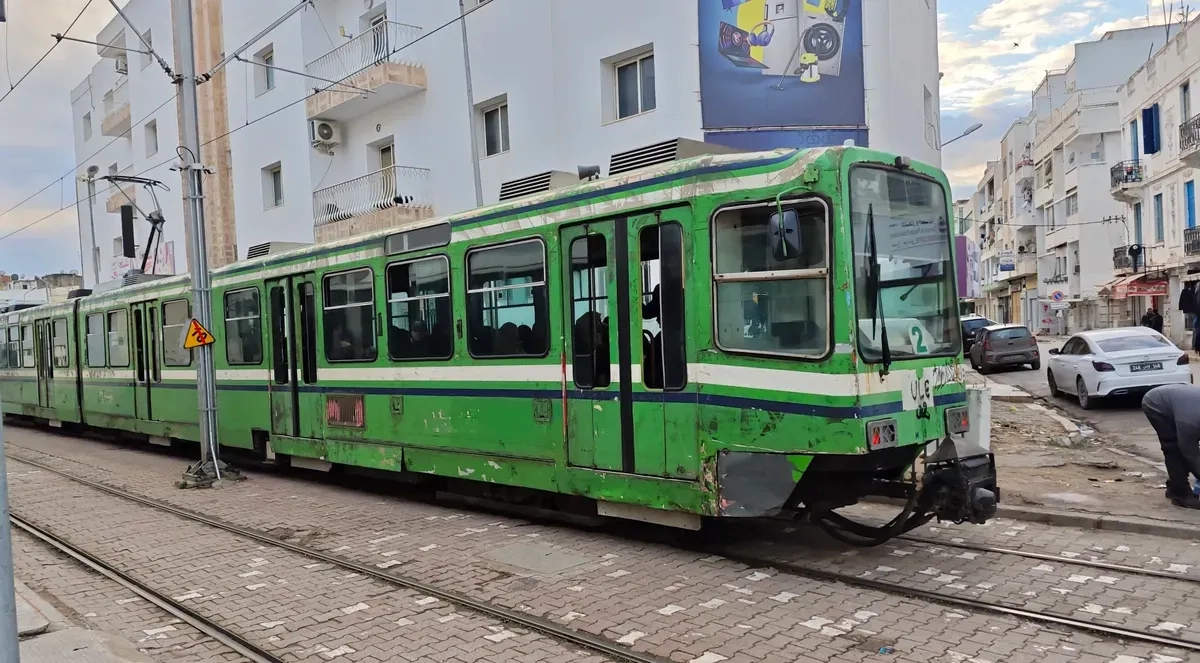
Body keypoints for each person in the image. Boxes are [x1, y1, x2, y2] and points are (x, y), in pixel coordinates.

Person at [1141, 384, 1200, 508]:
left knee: (1185, 451)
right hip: (1156, 404)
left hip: (1180, 401)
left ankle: (1173, 486)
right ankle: (1181, 494)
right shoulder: (1190, 423)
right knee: (1173, 448)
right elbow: (1190, 452)